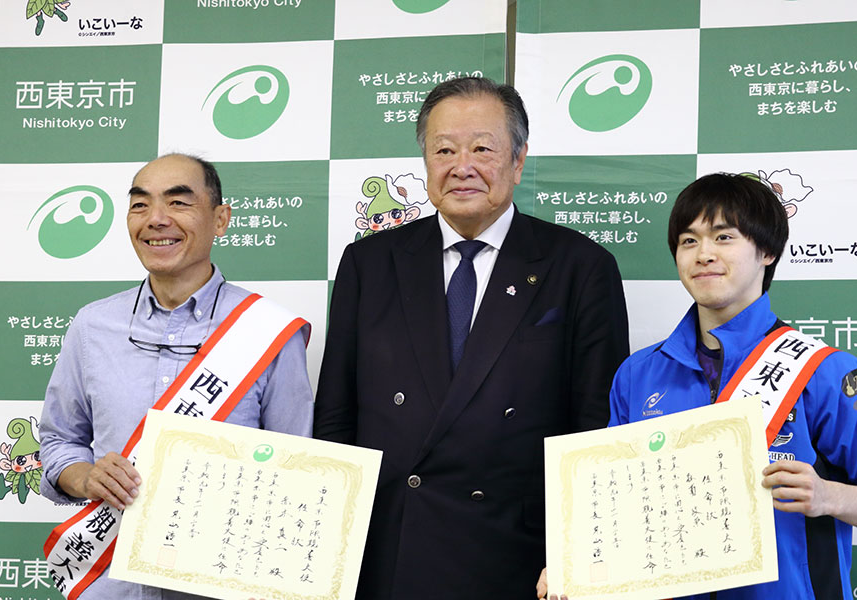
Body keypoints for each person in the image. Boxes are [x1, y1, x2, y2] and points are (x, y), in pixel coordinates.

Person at [314, 77, 629, 600]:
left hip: (520, 556)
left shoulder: (580, 266)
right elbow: (335, 417)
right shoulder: (370, 263)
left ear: (518, 160)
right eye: (444, 150)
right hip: (392, 547)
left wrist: (577, 552)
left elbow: (595, 428)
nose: (462, 166)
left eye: (482, 149)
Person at [542, 173, 857, 600]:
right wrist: (572, 566)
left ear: (767, 251)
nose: (704, 254)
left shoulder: (825, 371)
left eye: (724, 237)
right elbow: (616, 506)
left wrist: (829, 497)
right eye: (688, 241)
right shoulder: (638, 374)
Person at [39, 153, 314, 599]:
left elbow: (296, 472)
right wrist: (86, 477)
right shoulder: (92, 326)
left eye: (178, 202)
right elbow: (57, 441)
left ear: (220, 219)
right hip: (111, 585)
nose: (156, 219)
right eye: (140, 204)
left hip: (221, 585)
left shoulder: (269, 332)